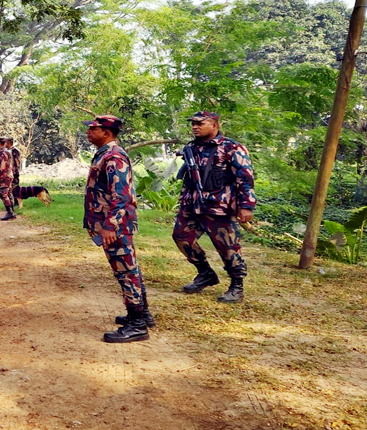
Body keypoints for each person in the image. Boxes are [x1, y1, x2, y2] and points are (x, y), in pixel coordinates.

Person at [173, 111, 257, 303]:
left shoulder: (231, 147)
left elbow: (245, 178)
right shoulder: (192, 147)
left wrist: (246, 206)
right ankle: (205, 273)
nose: (194, 127)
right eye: (193, 124)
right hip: (192, 204)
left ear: (214, 125)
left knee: (228, 247)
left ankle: (237, 285)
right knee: (181, 237)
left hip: (219, 206)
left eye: (200, 123)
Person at [82, 115, 153, 343]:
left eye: (93, 129)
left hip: (115, 225)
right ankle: (143, 314)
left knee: (126, 271)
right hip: (111, 223)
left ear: (107, 132)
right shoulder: (105, 153)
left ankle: (137, 325)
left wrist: (109, 225)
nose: (88, 132)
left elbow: (121, 196)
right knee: (129, 268)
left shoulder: (114, 157)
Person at [5, 137, 22, 207]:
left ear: (9, 143)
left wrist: (15, 171)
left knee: (15, 187)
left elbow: (17, 162)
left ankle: (17, 202)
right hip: (11, 172)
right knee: (11, 187)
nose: (4, 144)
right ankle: (14, 202)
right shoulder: (9, 151)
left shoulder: (14, 151)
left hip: (14, 172)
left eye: (5, 142)